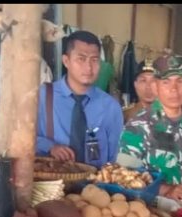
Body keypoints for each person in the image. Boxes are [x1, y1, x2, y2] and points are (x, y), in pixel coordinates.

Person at [117, 54, 182, 203]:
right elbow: (124, 175)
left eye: (180, 81)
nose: (174, 89)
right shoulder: (137, 126)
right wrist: (165, 189)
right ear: (155, 87)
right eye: (166, 82)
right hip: (153, 215)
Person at [36, 31, 122, 166]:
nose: (88, 67)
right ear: (66, 61)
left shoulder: (110, 107)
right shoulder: (44, 96)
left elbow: (116, 156)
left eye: (94, 60)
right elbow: (21, 138)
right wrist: (50, 147)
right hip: (51, 181)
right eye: (81, 59)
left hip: (95, 183)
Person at [123, 58, 156, 123]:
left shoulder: (171, 115)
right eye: (143, 81)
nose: (148, 87)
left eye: (153, 81)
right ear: (135, 84)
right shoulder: (126, 114)